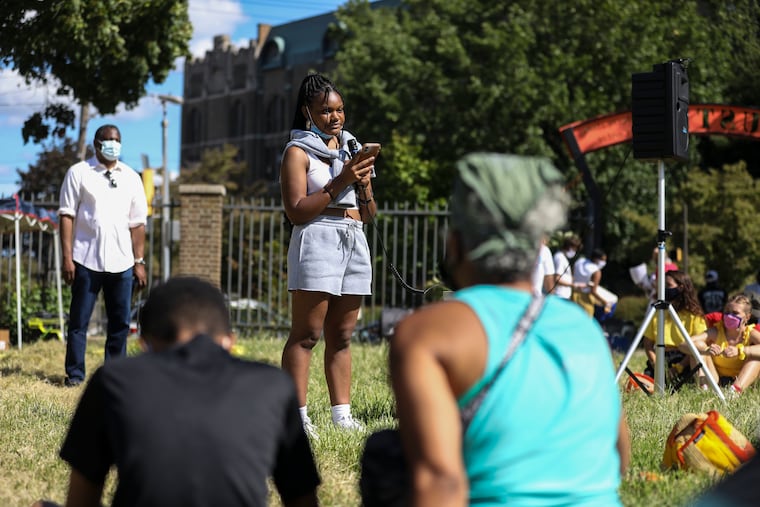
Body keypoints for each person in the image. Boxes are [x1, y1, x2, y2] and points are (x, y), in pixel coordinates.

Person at [389, 153, 629, 506]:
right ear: (537, 249)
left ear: (455, 244)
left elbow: (440, 484)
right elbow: (619, 457)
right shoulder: (586, 330)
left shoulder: (428, 333)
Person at [52, 276, 320, 507]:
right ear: (230, 342)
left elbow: (81, 500)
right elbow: (302, 500)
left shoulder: (114, 380)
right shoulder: (272, 384)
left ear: (144, 344)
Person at [279, 73, 377, 436]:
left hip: (354, 237)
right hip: (317, 236)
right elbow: (296, 211)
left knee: (343, 334)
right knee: (307, 333)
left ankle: (341, 415)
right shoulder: (298, 152)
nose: (334, 118)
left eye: (339, 110)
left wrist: (363, 184)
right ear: (308, 112)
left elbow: (369, 214)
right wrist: (343, 181)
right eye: (325, 111)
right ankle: (297, 417)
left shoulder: (352, 150)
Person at [58, 124, 148, 387]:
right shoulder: (79, 173)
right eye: (108, 139)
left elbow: (138, 223)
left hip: (122, 263)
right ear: (96, 144)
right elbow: (66, 214)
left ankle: (114, 375)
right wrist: (66, 257)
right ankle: (75, 375)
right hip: (86, 260)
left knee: (119, 323)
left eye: (117, 139)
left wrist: (139, 261)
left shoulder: (132, 177)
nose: (113, 144)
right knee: (79, 322)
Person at [683, 293, 760, 394]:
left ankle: (734, 392)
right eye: (727, 312)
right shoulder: (715, 331)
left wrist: (741, 350)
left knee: (756, 357)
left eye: (735, 313)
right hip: (715, 379)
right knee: (697, 347)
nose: (729, 316)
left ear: (747, 317)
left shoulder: (750, 333)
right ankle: (704, 388)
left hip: (742, 379)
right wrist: (706, 350)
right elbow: (683, 344)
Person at [641, 270, 706, 382]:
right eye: (663, 285)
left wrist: (678, 368)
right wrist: (656, 364)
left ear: (681, 287)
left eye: (668, 285)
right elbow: (648, 344)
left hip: (684, 359)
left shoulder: (694, 315)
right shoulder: (658, 312)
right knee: (643, 385)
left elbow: (699, 347)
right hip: (661, 356)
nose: (664, 289)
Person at [571, 248, 611, 316]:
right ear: (596, 259)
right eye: (603, 260)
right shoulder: (596, 271)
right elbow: (593, 291)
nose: (604, 262)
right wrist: (605, 302)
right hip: (585, 299)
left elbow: (572, 275)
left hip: (573, 294)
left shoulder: (580, 261)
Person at [552, 233, 582, 299]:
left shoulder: (563, 257)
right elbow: (557, 279)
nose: (575, 252)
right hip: (559, 295)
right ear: (569, 247)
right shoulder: (560, 258)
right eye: (575, 249)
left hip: (562, 295)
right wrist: (574, 285)